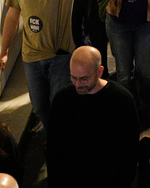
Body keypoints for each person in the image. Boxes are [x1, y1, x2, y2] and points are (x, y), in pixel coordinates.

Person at [0, 0, 91, 130]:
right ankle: (53, 134)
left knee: (61, 105)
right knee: (39, 107)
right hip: (31, 58)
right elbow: (12, 17)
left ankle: (60, 140)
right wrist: (4, 51)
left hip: (60, 56)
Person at [46, 46, 140, 187]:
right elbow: (54, 147)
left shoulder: (121, 100)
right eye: (73, 78)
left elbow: (130, 148)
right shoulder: (62, 99)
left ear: (100, 71)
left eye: (84, 79)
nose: (78, 85)